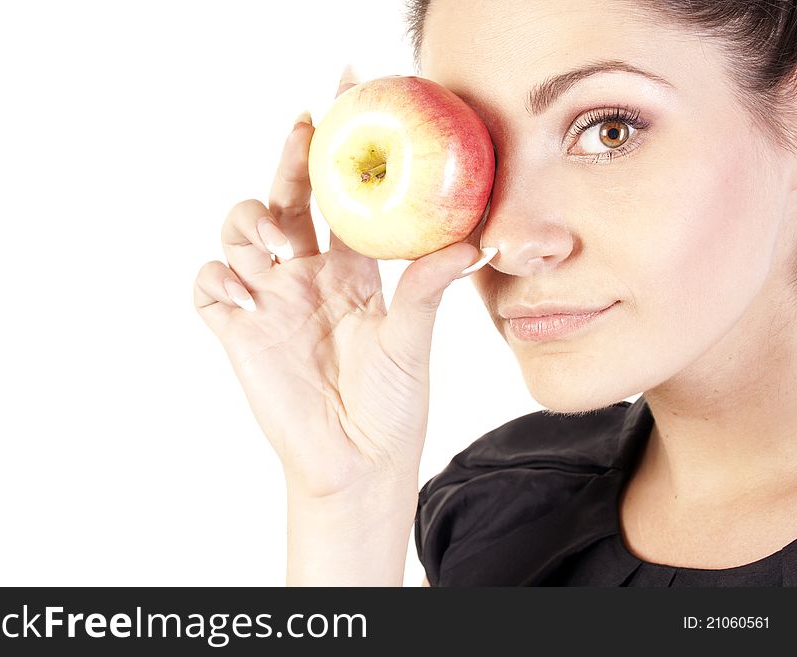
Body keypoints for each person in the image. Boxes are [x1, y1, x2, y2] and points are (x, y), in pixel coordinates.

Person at [193, 0, 797, 586]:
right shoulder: (492, 511)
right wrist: (347, 500)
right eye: (478, 150)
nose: (505, 240)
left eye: (609, 132)